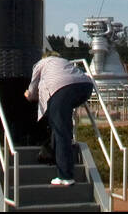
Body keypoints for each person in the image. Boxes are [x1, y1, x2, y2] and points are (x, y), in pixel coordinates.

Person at [24, 51, 95, 186]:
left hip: (61, 89)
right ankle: (58, 154)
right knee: (63, 124)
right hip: (85, 86)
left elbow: (32, 88)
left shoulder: (41, 63)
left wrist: (29, 95)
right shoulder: (64, 62)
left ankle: (65, 176)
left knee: (61, 131)